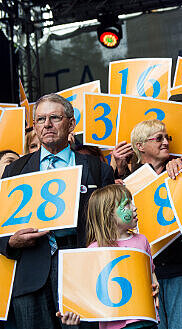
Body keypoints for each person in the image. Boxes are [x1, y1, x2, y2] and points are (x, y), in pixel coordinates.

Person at [0, 93, 114, 329]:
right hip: (30, 271)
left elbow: (110, 225)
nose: (47, 125)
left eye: (54, 117)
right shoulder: (14, 170)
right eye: (40, 119)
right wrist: (10, 242)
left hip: (83, 272)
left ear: (71, 124)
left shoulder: (97, 169)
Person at [129, 119, 182, 329]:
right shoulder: (127, 182)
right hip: (146, 274)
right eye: (158, 138)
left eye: (166, 137)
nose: (165, 142)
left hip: (181, 268)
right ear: (140, 146)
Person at [56, 184, 160, 329]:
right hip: (113, 325)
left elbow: (151, 272)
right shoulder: (94, 250)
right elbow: (84, 291)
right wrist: (71, 312)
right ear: (108, 213)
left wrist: (155, 286)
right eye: (127, 204)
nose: (134, 207)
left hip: (146, 321)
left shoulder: (142, 240)